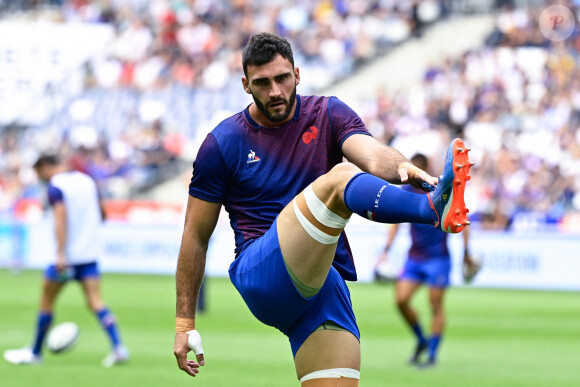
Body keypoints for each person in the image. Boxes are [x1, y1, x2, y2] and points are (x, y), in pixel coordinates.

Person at [173, 32, 472, 386]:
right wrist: (184, 323)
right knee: (340, 177)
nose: (275, 91)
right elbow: (195, 234)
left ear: (297, 74)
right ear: (245, 85)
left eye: (282, 78)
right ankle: (431, 211)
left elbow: (373, 154)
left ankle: (433, 201)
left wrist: (404, 168)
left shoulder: (328, 113)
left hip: (321, 284)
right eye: (262, 83)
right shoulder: (222, 143)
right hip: (262, 272)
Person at [3, 155, 129, 367]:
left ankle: (35, 352)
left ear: (45, 167)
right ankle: (119, 347)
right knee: (96, 302)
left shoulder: (56, 187)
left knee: (47, 300)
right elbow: (103, 212)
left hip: (66, 258)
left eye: (39, 173)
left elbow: (61, 218)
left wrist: (60, 253)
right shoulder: (87, 180)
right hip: (88, 255)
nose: (40, 178)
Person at [378, 153, 476, 368]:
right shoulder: (407, 191)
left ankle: (431, 354)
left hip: (438, 259)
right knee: (401, 300)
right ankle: (422, 340)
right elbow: (395, 222)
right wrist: (386, 250)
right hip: (415, 258)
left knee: (435, 305)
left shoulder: (440, 190)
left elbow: (463, 220)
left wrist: (467, 252)